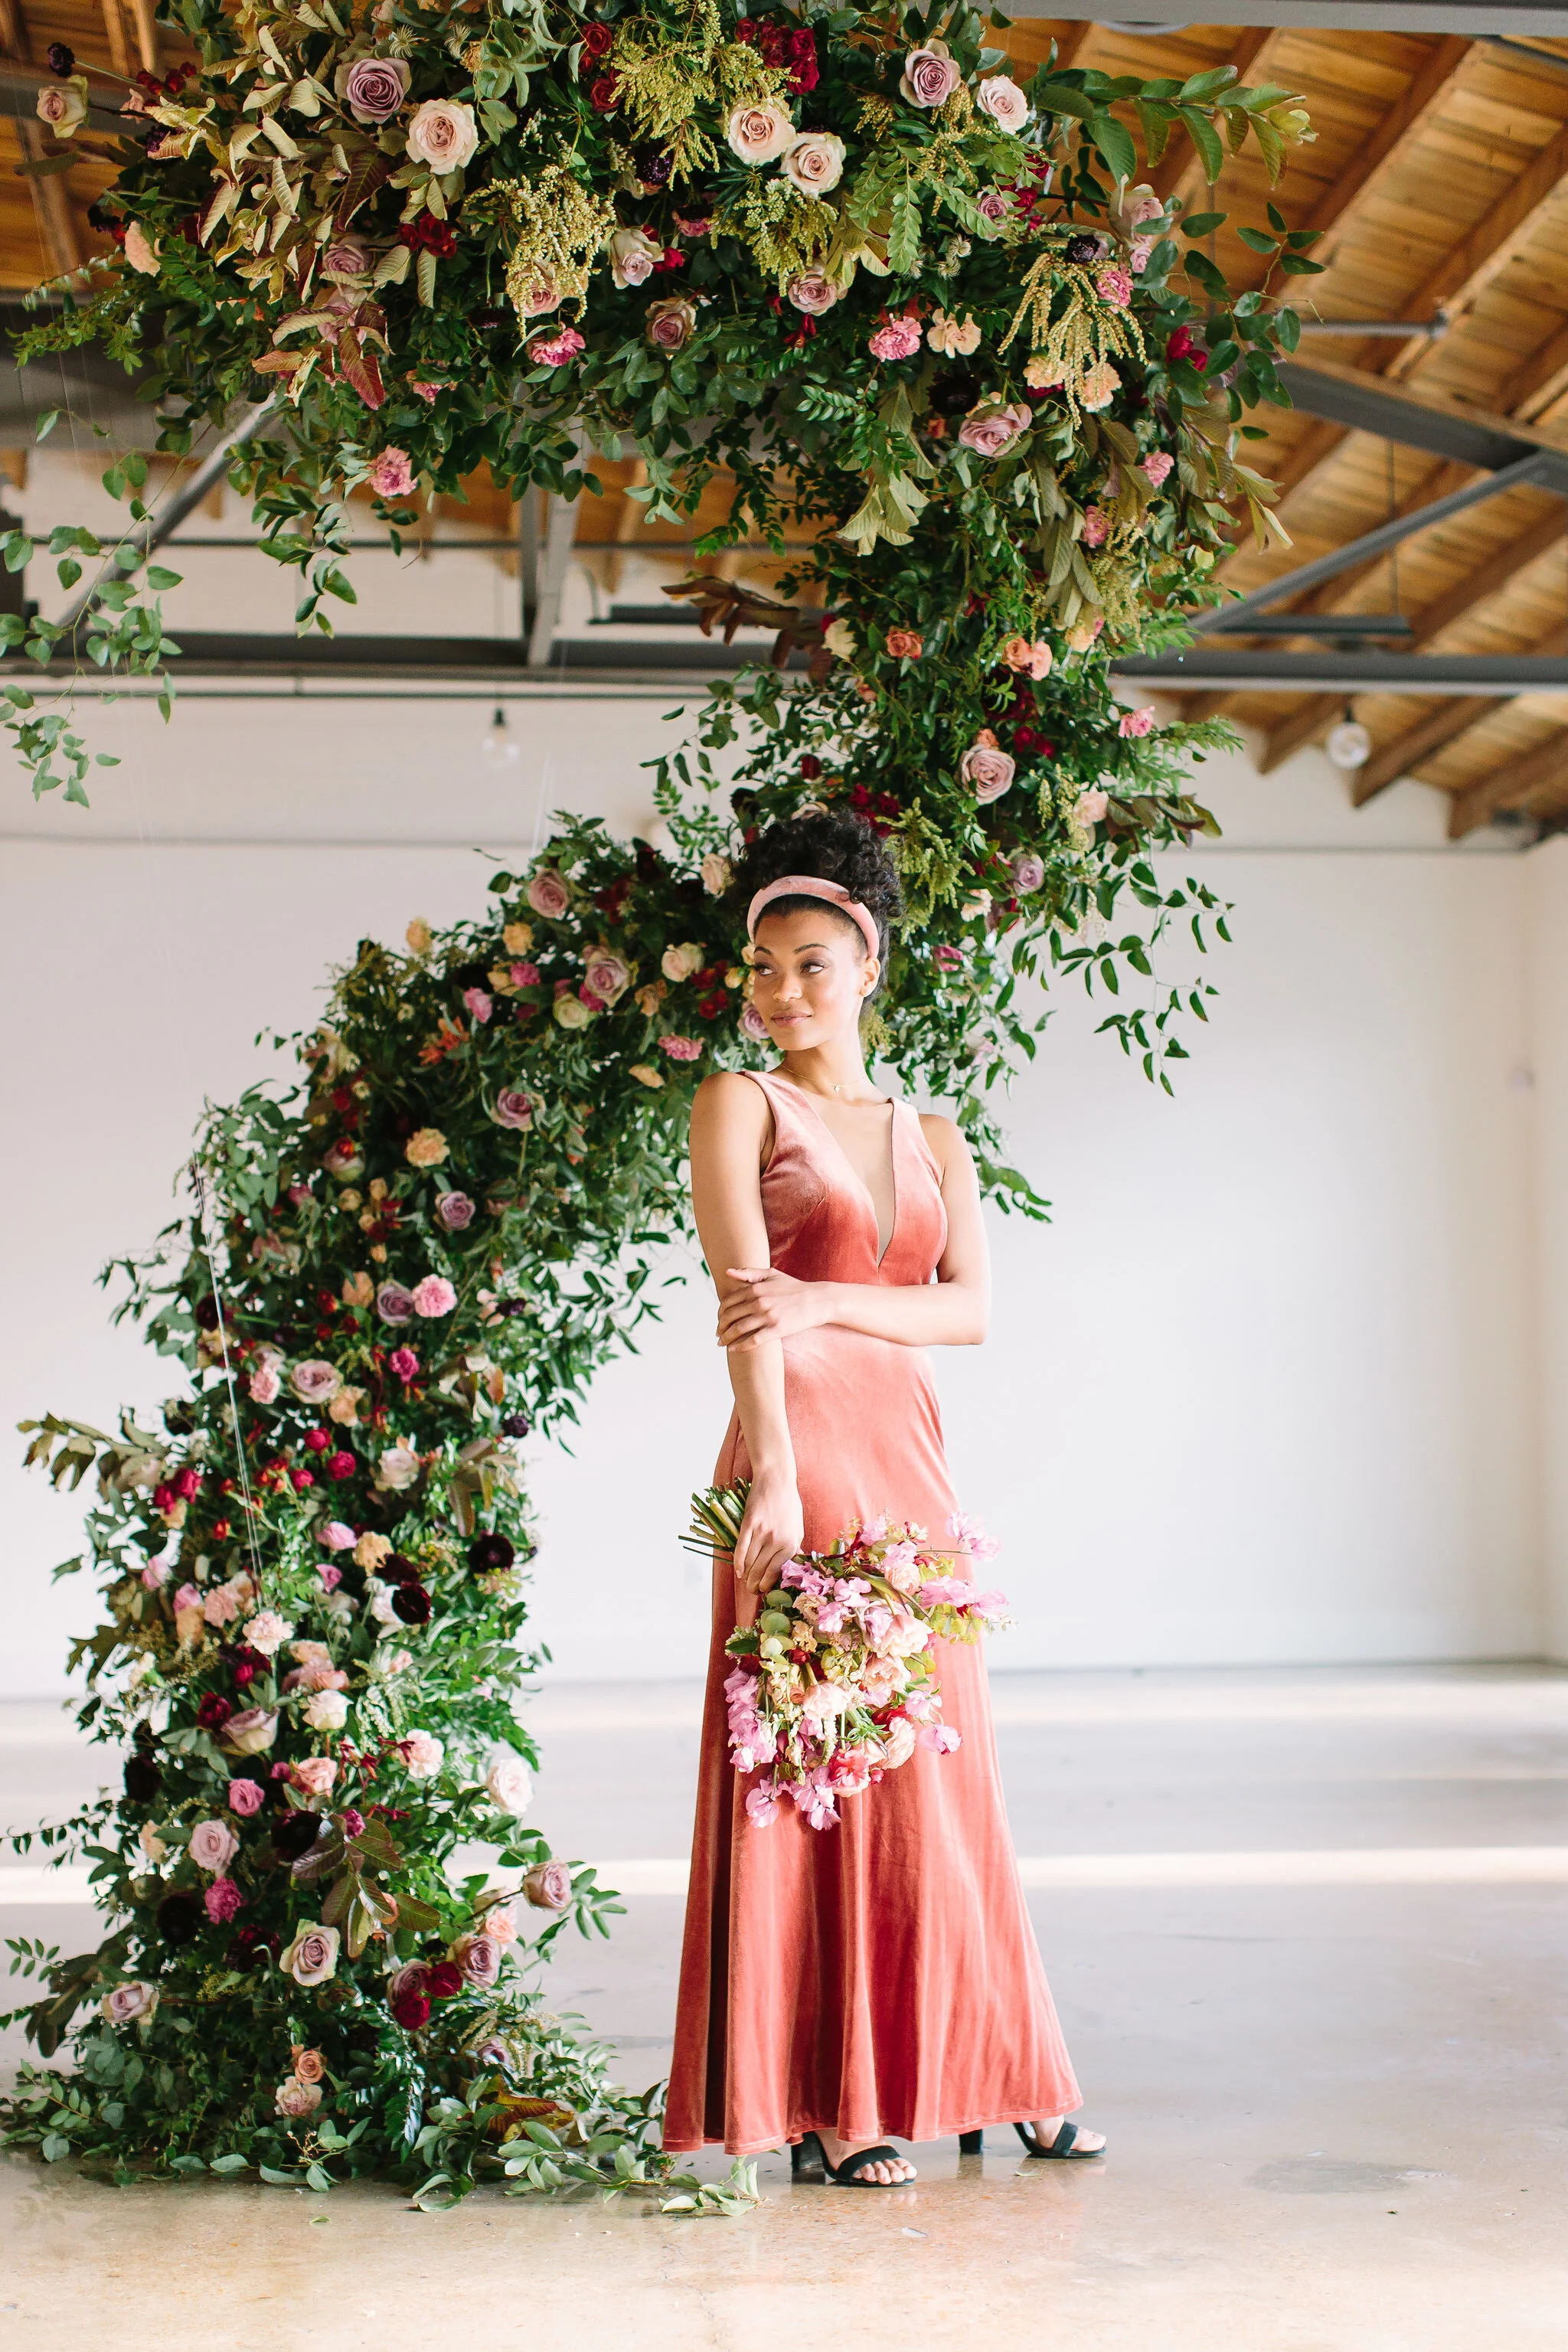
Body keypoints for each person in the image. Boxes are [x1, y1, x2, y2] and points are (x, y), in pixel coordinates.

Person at [662, 808, 1104, 2187]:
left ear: (869, 969)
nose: (782, 991)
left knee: (944, 1777)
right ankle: (827, 2105)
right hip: (798, 1455)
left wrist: (827, 1299)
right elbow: (746, 1310)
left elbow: (969, 1312)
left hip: (910, 1464)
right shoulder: (738, 1102)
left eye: (812, 964)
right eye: (762, 967)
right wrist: (775, 1472)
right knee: (813, 1770)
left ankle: (1004, 2069)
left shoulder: (934, 1132)